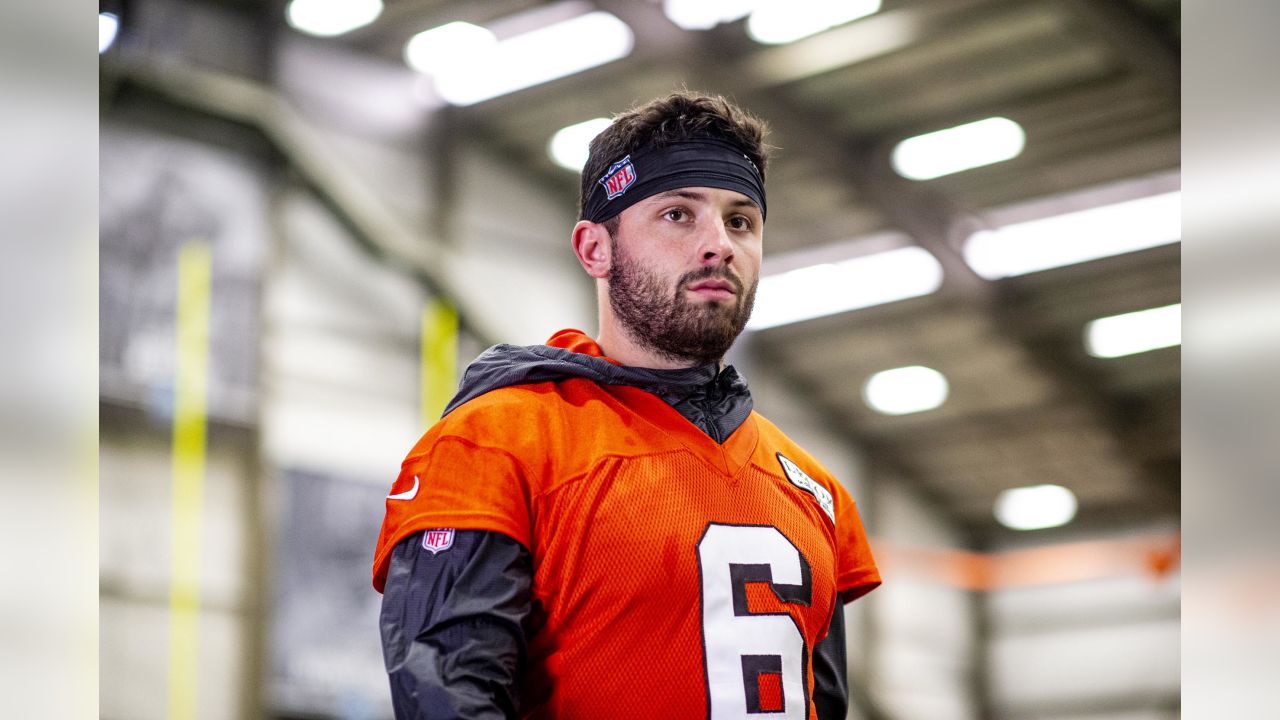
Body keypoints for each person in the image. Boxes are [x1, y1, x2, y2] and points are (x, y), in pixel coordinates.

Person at [372, 92, 881, 720]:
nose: (718, 244)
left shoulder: (814, 489)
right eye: (677, 215)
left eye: (740, 220)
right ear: (595, 249)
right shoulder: (494, 443)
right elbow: (446, 700)